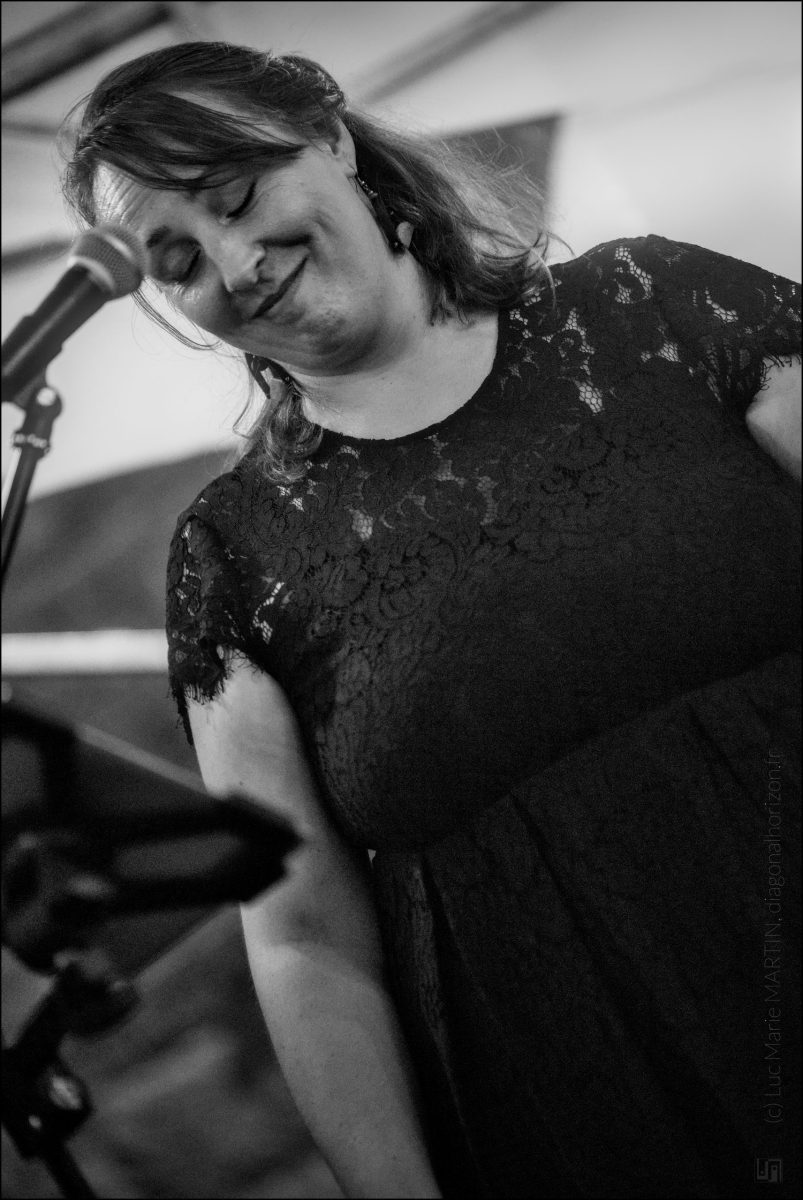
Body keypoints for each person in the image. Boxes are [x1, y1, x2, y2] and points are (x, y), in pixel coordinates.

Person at [60, 40, 801, 1200]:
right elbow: (303, 940)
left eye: (236, 197)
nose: (235, 264)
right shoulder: (231, 555)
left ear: (332, 137)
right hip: (594, 1111)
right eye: (177, 260)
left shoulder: (656, 304)